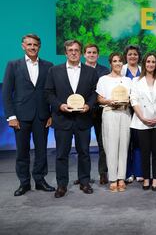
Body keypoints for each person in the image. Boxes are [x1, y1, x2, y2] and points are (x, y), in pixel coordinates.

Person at [2, 34, 55, 196]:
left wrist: (51, 114)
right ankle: (24, 183)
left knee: (41, 151)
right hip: (20, 116)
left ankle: (40, 180)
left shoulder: (48, 65)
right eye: (29, 44)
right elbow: (6, 93)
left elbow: (51, 92)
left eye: (35, 45)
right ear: (23, 46)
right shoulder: (13, 65)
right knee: (22, 152)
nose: (32, 47)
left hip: (42, 116)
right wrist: (11, 116)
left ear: (39, 47)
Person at [45, 40, 98, 198]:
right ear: (66, 52)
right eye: (70, 50)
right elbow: (48, 93)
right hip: (62, 118)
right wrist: (60, 105)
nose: (73, 52)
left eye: (76, 50)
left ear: (81, 53)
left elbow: (95, 92)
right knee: (61, 154)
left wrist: (89, 105)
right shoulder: (54, 71)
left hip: (83, 119)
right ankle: (61, 185)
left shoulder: (90, 71)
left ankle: (84, 181)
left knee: (84, 153)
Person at [96, 52, 132, 192]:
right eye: (115, 61)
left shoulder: (128, 81)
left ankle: (121, 177)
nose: (118, 63)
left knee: (124, 146)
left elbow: (131, 98)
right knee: (110, 147)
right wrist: (109, 101)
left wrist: (127, 101)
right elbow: (99, 98)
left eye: (120, 61)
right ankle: (112, 178)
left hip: (124, 113)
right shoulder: (103, 79)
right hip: (110, 113)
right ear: (110, 63)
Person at [130, 53, 156, 192]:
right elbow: (134, 100)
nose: (150, 64)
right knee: (144, 151)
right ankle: (146, 178)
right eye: (148, 62)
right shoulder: (135, 81)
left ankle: (155, 178)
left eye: (153, 62)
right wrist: (142, 118)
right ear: (144, 63)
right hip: (142, 121)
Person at [83, 43, 110, 185]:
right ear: (84, 55)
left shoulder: (105, 71)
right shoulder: (78, 70)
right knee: (83, 145)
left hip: (101, 112)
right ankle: (84, 176)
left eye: (94, 52)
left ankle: (103, 173)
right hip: (83, 112)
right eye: (89, 52)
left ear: (98, 55)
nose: (91, 55)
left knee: (102, 144)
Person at [121, 45, 144, 183]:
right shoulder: (121, 69)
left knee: (138, 142)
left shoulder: (143, 70)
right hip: (124, 111)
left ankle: (139, 171)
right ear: (126, 56)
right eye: (130, 54)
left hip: (140, 111)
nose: (133, 56)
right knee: (126, 143)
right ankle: (128, 172)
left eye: (135, 54)